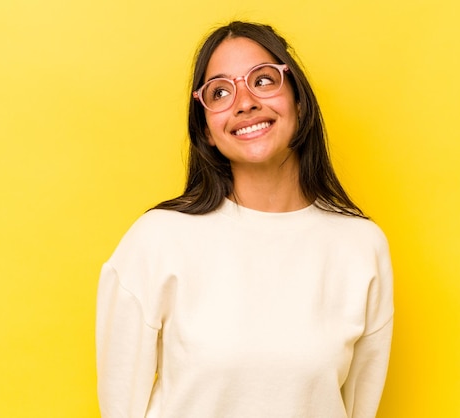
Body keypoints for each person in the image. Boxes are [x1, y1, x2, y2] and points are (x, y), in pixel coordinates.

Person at [96, 21, 393, 418]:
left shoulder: (361, 246)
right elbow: (121, 406)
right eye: (220, 92)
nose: (245, 101)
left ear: (299, 101)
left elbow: (357, 407)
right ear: (206, 131)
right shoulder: (157, 240)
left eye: (264, 80)